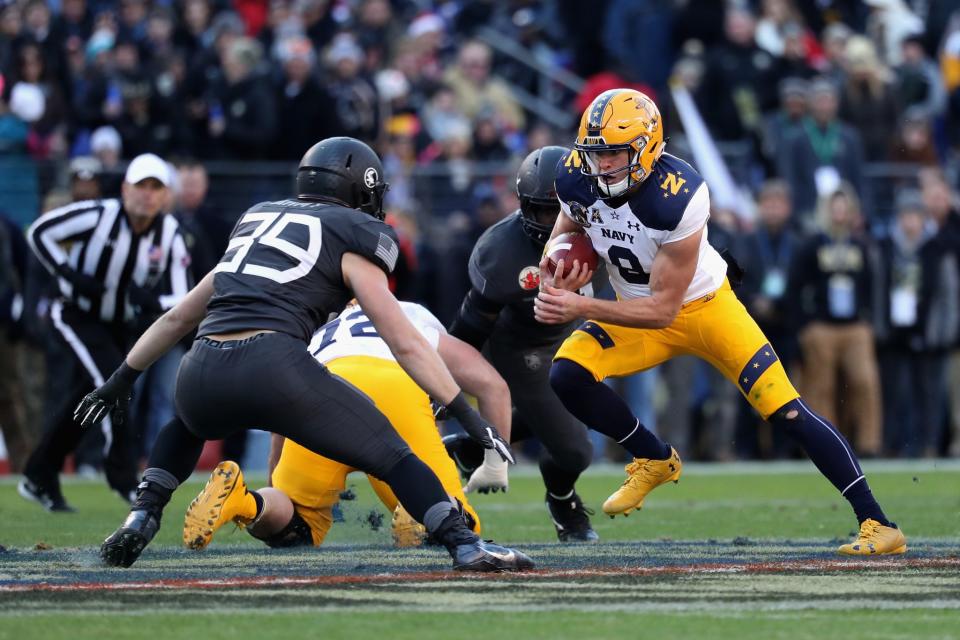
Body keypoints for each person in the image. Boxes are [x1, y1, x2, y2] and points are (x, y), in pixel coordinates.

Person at [77, 137, 531, 572]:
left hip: (202, 367)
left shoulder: (257, 220)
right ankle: (465, 544)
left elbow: (179, 318)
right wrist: (465, 415)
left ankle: (144, 512)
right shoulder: (353, 233)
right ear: (358, 190)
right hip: (274, 364)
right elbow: (404, 340)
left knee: (189, 424)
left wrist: (121, 378)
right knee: (394, 454)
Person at [534, 88, 906, 555]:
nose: (602, 165)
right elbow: (568, 227)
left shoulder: (678, 197)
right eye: (595, 153)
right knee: (567, 374)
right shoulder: (576, 175)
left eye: (613, 154)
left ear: (647, 148)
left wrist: (581, 306)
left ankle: (879, 523)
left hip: (704, 308)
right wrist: (554, 268)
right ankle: (653, 456)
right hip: (633, 305)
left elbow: (664, 310)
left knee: (786, 410)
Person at [183, 300, 508, 550]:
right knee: (460, 523)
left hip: (320, 391)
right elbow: (490, 384)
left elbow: (279, 421)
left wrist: (277, 488)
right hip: (393, 386)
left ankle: (242, 502)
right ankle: (421, 515)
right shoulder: (409, 316)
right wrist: (495, 461)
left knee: (297, 529)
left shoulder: (316, 333)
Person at [444, 146, 604, 542]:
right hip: (523, 348)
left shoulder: (604, 225)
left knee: (586, 416)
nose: (552, 222)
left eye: (560, 209)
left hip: (575, 335)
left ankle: (475, 441)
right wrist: (441, 381)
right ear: (522, 206)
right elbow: (470, 327)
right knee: (575, 452)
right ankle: (562, 500)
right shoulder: (502, 252)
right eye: (542, 211)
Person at [19, 153, 190, 511]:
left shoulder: (170, 232)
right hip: (76, 314)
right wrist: (68, 275)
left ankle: (40, 473)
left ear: (165, 195)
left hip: (119, 325)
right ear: (125, 188)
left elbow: (181, 294)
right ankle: (124, 479)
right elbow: (40, 232)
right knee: (116, 386)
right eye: (140, 186)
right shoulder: (99, 215)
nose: (147, 195)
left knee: (88, 399)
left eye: (155, 187)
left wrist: (151, 298)